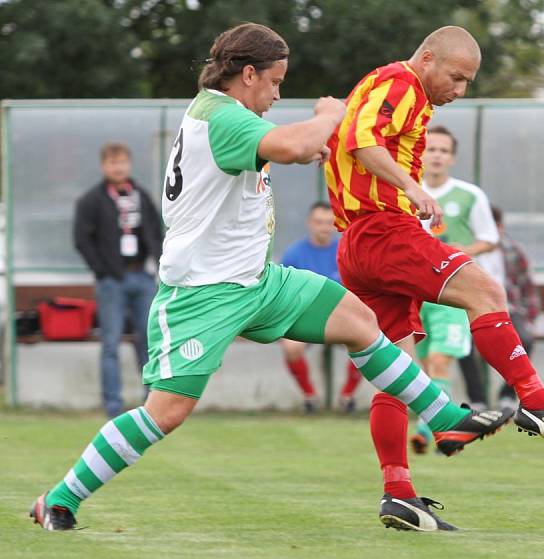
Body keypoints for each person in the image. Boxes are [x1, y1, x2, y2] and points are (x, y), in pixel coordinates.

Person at [31, 22, 507, 533]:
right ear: (249, 73)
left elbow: (284, 148)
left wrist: (312, 141)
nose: (279, 94)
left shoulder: (230, 116)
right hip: (203, 293)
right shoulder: (220, 116)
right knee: (165, 413)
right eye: (276, 82)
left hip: (258, 282)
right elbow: (290, 146)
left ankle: (444, 417)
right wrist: (328, 118)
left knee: (358, 319)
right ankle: (59, 499)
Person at [326, 26, 544, 530]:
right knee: (485, 290)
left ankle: (398, 493)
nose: (460, 91)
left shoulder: (383, 85)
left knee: (396, 371)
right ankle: (538, 405)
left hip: (357, 241)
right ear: (427, 59)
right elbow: (360, 142)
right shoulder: (402, 83)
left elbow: (343, 132)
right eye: (457, 77)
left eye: (468, 82)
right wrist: (412, 187)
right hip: (383, 229)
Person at [410, 125, 500, 453]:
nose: (436, 155)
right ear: (420, 153)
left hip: (451, 293)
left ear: (452, 158)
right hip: (414, 295)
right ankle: (442, 426)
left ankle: (425, 428)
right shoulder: (407, 191)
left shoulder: (469, 195)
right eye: (431, 148)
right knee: (419, 369)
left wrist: (461, 251)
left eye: (443, 150)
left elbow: (490, 238)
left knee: (439, 362)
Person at [73, 142, 163, 418]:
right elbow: (82, 239)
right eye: (112, 163)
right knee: (110, 341)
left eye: (122, 162)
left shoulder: (140, 195)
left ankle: (152, 401)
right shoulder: (91, 200)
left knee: (148, 340)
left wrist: (156, 263)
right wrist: (102, 271)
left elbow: (156, 229)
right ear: (104, 166)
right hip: (112, 280)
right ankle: (112, 403)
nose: (118, 168)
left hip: (142, 277)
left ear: (129, 164)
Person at [280, 201, 362, 413]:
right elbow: (284, 292)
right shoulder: (294, 254)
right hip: (306, 316)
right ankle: (310, 397)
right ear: (309, 223)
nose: (324, 227)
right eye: (319, 222)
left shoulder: (347, 250)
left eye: (329, 222)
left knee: (368, 342)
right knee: (291, 347)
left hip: (343, 315)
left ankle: (347, 396)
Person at [491, 205, 539, 410]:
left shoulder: (512, 250)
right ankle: (476, 399)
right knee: (465, 348)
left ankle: (508, 394)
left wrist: (530, 318)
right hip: (471, 310)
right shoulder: (466, 249)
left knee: (525, 339)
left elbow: (527, 285)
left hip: (509, 309)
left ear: (500, 227)